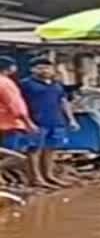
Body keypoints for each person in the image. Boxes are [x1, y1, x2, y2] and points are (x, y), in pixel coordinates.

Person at [21, 58, 79, 188]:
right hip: (36, 122)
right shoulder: (26, 84)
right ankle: (36, 178)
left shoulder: (56, 84)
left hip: (56, 121)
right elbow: (19, 104)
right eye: (40, 68)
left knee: (51, 149)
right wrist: (26, 121)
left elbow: (63, 102)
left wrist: (71, 119)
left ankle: (49, 175)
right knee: (34, 150)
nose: (45, 70)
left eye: (47, 68)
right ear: (33, 70)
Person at [0, 56, 37, 186]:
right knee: (15, 156)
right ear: (9, 68)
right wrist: (28, 122)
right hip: (10, 124)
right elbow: (16, 107)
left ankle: (5, 181)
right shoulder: (6, 83)